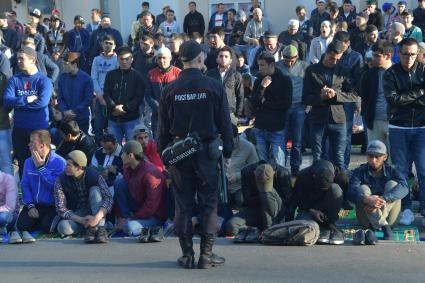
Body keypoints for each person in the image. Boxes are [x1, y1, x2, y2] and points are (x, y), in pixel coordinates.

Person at [157, 40, 233, 269]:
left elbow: (162, 129)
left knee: (183, 204)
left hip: (180, 153)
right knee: (209, 202)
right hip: (207, 153)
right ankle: (206, 255)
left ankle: (187, 254)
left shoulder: (170, 89)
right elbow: (225, 125)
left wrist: (165, 157)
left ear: (181, 60)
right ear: (200, 59)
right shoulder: (214, 86)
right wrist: (227, 152)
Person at [383, 38, 425, 226]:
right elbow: (393, 100)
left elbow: (400, 99)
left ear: (418, 54)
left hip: (422, 127)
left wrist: (404, 98)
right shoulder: (390, 73)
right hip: (398, 127)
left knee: (424, 171)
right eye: (405, 54)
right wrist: (420, 93)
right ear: (398, 53)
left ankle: (424, 209)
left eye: (413, 54)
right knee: (401, 171)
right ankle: (406, 208)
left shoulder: (423, 70)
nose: (409, 58)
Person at [302, 40, 357, 170]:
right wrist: (320, 97)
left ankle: (342, 186)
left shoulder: (343, 70)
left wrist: (336, 95)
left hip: (338, 119)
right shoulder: (311, 70)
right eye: (332, 58)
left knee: (339, 157)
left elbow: (353, 94)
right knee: (318, 156)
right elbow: (305, 98)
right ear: (325, 53)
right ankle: (317, 185)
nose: (334, 62)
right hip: (318, 118)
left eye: (337, 59)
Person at [8, 130, 66, 244]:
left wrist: (41, 168)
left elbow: (56, 187)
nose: (28, 145)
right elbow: (25, 185)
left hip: (53, 206)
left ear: (42, 145)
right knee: (21, 226)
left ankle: (41, 221)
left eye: (32, 142)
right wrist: (30, 206)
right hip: (35, 205)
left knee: (47, 228)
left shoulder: (60, 162)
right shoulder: (28, 162)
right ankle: (35, 221)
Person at [3, 47, 52, 178]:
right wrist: (26, 99)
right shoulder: (15, 80)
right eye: (17, 58)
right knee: (23, 163)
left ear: (33, 60)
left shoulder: (44, 81)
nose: (18, 61)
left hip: (38, 129)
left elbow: (42, 103)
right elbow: (7, 101)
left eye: (21, 58)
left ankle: (42, 195)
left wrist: (18, 104)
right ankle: (25, 195)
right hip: (19, 129)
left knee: (41, 162)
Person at [348, 140, 408, 244]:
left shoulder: (392, 169)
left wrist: (383, 199)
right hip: (366, 221)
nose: (373, 160)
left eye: (377, 156)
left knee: (393, 185)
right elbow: (350, 192)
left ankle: (381, 222)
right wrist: (366, 199)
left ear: (385, 157)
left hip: (390, 219)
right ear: (367, 156)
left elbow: (405, 188)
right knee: (363, 189)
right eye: (370, 156)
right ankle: (384, 226)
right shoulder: (359, 171)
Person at [55, 150, 113, 243]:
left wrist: (97, 218)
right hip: (78, 214)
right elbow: (60, 208)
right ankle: (93, 228)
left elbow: (108, 199)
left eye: (68, 165)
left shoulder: (94, 175)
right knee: (63, 227)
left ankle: (99, 228)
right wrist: (81, 220)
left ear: (79, 167)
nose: (65, 168)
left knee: (95, 191)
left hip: (97, 210)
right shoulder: (61, 179)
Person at [113, 141, 167, 240]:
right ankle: (125, 219)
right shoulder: (128, 167)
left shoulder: (150, 175)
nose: (121, 157)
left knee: (130, 227)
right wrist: (121, 216)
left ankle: (160, 228)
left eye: (122, 154)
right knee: (118, 182)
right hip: (139, 206)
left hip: (154, 215)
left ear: (130, 156)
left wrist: (132, 218)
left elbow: (151, 207)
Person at [226, 162, 291, 242]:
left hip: (276, 212)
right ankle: (255, 231)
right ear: (254, 173)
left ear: (274, 173)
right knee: (231, 225)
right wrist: (262, 196)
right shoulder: (246, 172)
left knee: (267, 194)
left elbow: (287, 202)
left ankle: (267, 230)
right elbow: (247, 200)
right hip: (256, 210)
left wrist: (267, 199)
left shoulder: (283, 173)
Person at [249, 52, 292, 167]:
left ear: (271, 65)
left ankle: (280, 185)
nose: (260, 68)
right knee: (263, 165)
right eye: (258, 65)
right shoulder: (259, 80)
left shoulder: (285, 80)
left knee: (278, 165)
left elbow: (286, 104)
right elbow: (254, 102)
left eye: (262, 65)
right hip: (260, 127)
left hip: (276, 128)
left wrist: (266, 103)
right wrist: (262, 87)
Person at [292, 159, 345, 245]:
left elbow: (344, 196)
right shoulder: (303, 176)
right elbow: (298, 200)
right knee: (302, 226)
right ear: (314, 176)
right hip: (309, 207)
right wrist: (311, 210)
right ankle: (320, 227)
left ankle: (330, 225)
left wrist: (331, 213)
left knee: (336, 190)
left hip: (327, 207)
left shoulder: (341, 177)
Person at [276, 45, 308, 176]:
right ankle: (282, 170)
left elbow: (309, 85)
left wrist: (307, 107)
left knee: (297, 141)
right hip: (283, 108)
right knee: (281, 140)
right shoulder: (277, 66)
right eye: (286, 59)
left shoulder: (304, 67)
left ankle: (295, 169)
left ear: (297, 57)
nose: (289, 62)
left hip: (299, 106)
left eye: (291, 60)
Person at [103, 46, 144, 144]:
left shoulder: (137, 76)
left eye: (127, 59)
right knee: (114, 148)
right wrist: (114, 108)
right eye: (121, 59)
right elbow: (106, 94)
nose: (124, 62)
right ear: (117, 59)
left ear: (132, 59)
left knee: (132, 149)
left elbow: (139, 97)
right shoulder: (110, 75)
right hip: (113, 118)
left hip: (131, 119)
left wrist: (124, 108)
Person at [360, 40, 392, 149]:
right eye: (373, 55)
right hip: (374, 121)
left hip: (394, 121)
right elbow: (364, 97)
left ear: (388, 56)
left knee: (395, 159)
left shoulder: (398, 72)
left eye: (377, 56)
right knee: (375, 155)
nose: (373, 58)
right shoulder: (368, 74)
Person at [145, 47, 181, 139]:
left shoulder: (178, 73)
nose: (161, 60)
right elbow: (148, 94)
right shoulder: (151, 73)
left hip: (175, 115)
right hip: (157, 115)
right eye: (159, 58)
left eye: (164, 58)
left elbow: (181, 94)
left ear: (170, 58)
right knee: (158, 142)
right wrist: (158, 107)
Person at [57, 52, 94, 134]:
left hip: (81, 117)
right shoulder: (62, 78)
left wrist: (74, 111)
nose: (63, 66)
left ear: (74, 65)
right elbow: (60, 97)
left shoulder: (87, 79)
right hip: (66, 117)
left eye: (66, 64)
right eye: (63, 64)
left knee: (82, 143)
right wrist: (65, 111)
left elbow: (88, 99)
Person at [91, 35, 119, 143]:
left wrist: (107, 96)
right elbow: (93, 77)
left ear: (114, 46)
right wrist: (99, 95)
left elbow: (117, 78)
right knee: (98, 126)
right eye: (106, 43)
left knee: (112, 127)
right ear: (102, 44)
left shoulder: (117, 59)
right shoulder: (96, 60)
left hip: (112, 97)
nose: (108, 45)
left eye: (110, 43)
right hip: (99, 96)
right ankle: (99, 149)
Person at [206, 46, 244, 124]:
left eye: (226, 56)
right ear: (217, 59)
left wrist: (237, 114)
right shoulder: (209, 74)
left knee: (231, 135)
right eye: (221, 56)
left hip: (230, 113)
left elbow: (240, 95)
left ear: (230, 60)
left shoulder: (236, 75)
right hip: (213, 112)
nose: (223, 58)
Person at [227, 124, 259, 207]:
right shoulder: (219, 145)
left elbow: (255, 168)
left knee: (241, 199)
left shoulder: (248, 147)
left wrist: (237, 176)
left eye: (231, 141)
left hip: (240, 186)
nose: (228, 144)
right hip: (223, 186)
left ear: (237, 136)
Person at [0, 68, 13, 175]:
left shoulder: (3, 78)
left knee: (5, 162)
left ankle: (9, 191)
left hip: (2, 126)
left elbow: (8, 103)